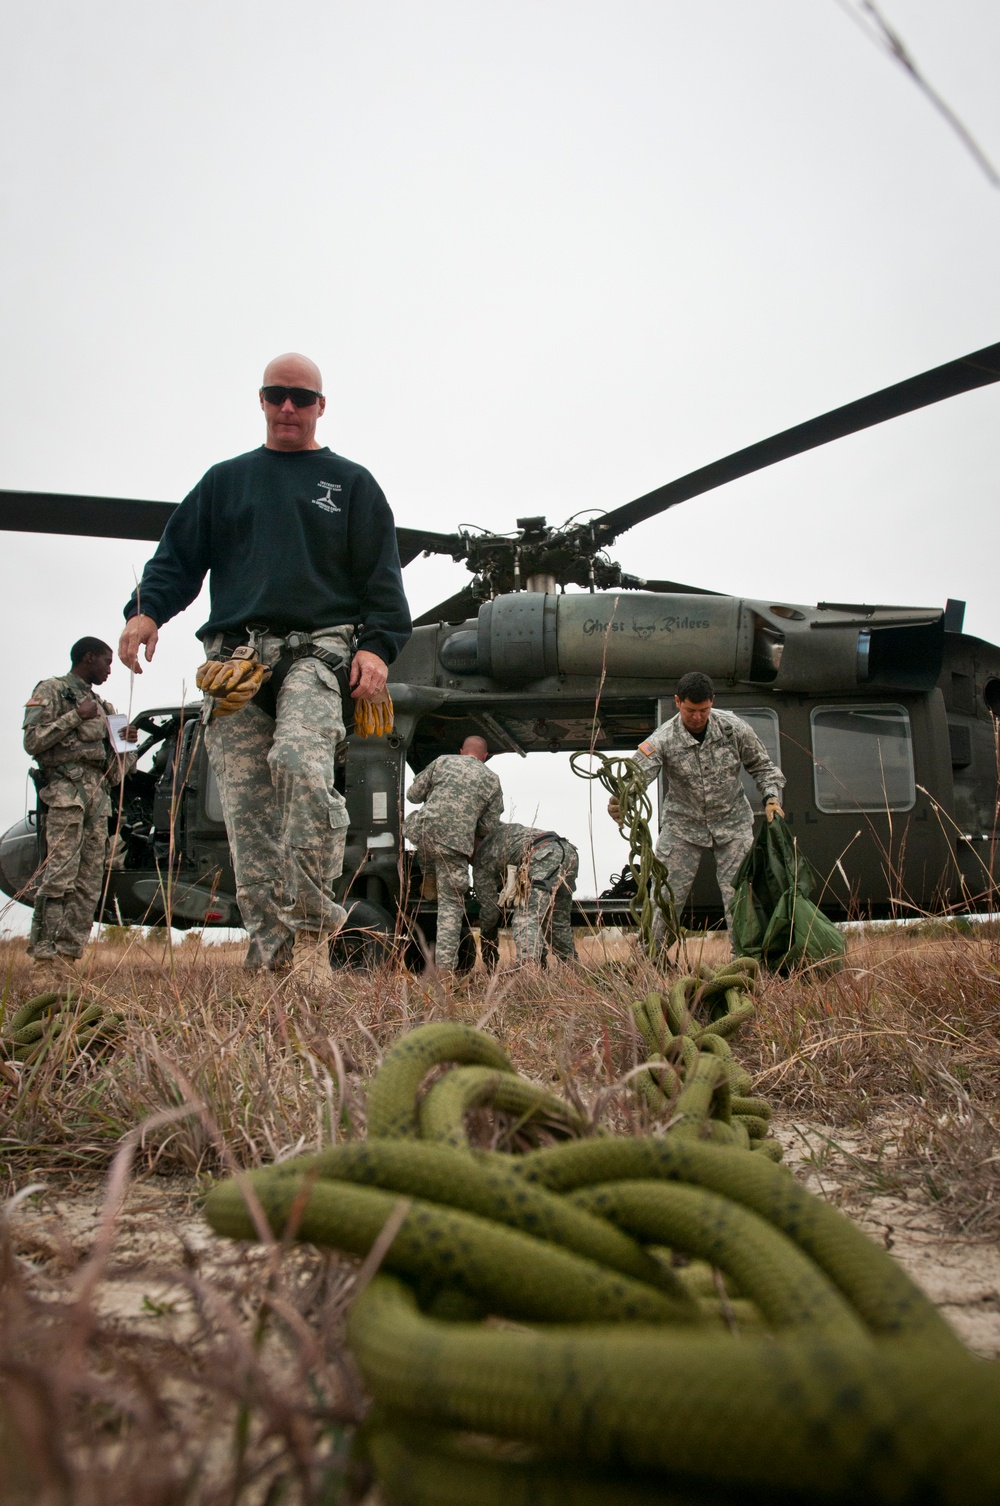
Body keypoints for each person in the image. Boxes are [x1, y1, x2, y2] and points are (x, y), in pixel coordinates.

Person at [118, 353, 411, 989]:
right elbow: (176, 559)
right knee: (246, 809)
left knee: (302, 769)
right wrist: (146, 613)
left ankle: (311, 931)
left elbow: (383, 584)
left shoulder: (352, 484)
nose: (288, 408)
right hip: (235, 662)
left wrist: (377, 649)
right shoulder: (226, 482)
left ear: (320, 407)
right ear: (260, 399)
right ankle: (269, 954)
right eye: (277, 395)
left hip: (315, 654)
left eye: (300, 398)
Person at [611, 671, 784, 950]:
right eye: (690, 710)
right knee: (665, 898)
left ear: (712, 702)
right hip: (682, 828)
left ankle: (747, 961)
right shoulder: (663, 739)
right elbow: (636, 776)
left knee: (741, 898)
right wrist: (622, 798)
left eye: (704, 710)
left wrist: (771, 798)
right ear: (678, 702)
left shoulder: (733, 729)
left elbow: (763, 767)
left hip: (732, 823)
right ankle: (649, 960)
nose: (697, 717)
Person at [23, 638, 137, 982]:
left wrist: (127, 743)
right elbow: (33, 742)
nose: (109, 669)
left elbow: (123, 771)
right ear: (88, 658)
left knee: (89, 885)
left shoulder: (105, 706)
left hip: (97, 801)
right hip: (65, 797)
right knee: (59, 878)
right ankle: (44, 962)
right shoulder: (53, 690)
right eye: (105, 661)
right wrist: (75, 716)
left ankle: (67, 960)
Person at [403, 736, 503, 974]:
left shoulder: (442, 762)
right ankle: (446, 973)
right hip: (455, 847)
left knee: (416, 827)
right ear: (486, 756)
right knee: (450, 908)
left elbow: (412, 796)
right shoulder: (491, 779)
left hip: (424, 833)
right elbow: (489, 826)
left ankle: (427, 873)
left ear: (460, 751)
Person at [474, 821, 579, 968]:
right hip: (568, 852)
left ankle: (528, 970)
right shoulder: (507, 831)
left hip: (543, 856)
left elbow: (490, 912)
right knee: (556, 923)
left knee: (526, 916)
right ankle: (571, 968)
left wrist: (488, 953)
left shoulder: (482, 857)